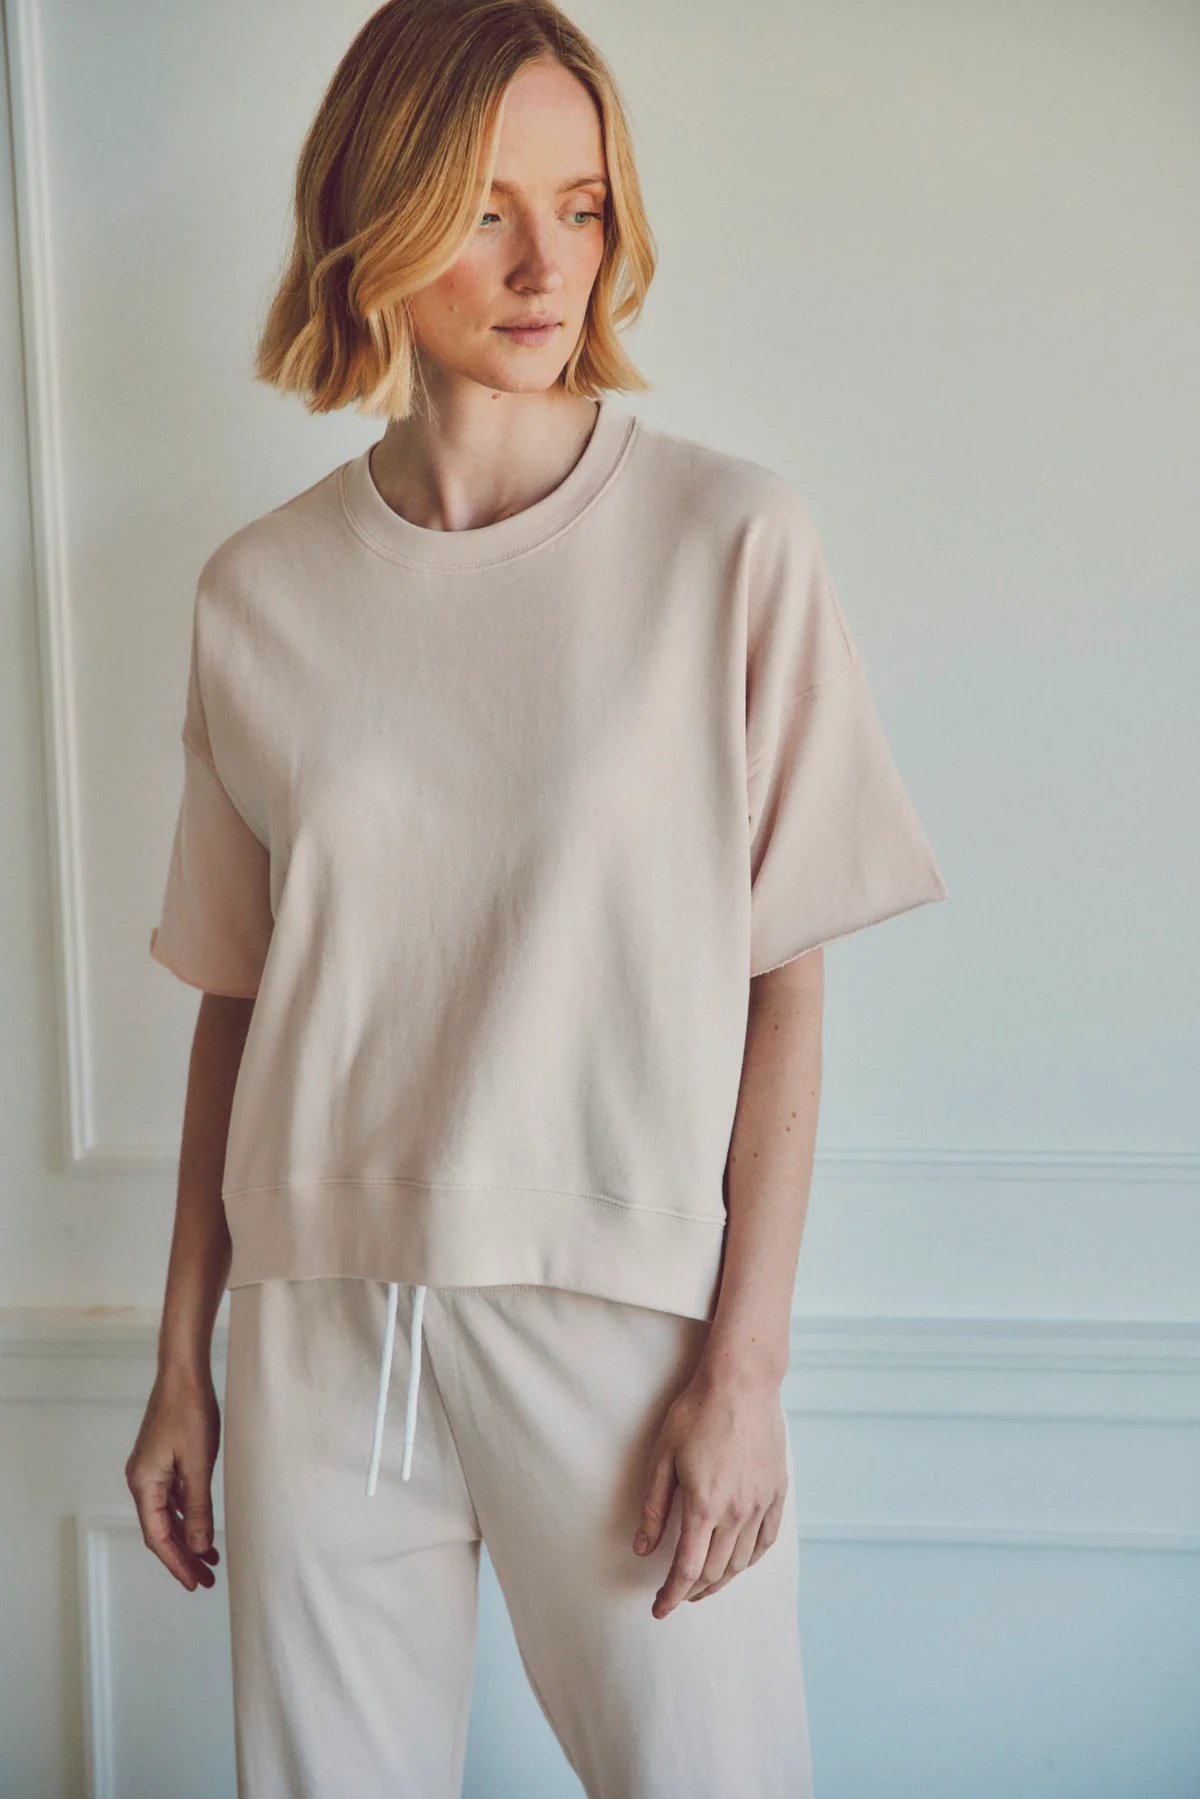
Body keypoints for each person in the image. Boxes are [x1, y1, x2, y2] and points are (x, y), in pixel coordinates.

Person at [125, 2, 948, 1793]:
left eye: (578, 205)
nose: (541, 259)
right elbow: (240, 1000)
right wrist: (185, 1360)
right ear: (375, 218)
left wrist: (747, 1371)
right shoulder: (256, 593)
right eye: (485, 204)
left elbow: (783, 977)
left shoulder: (728, 541)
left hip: (621, 1317)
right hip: (322, 1320)